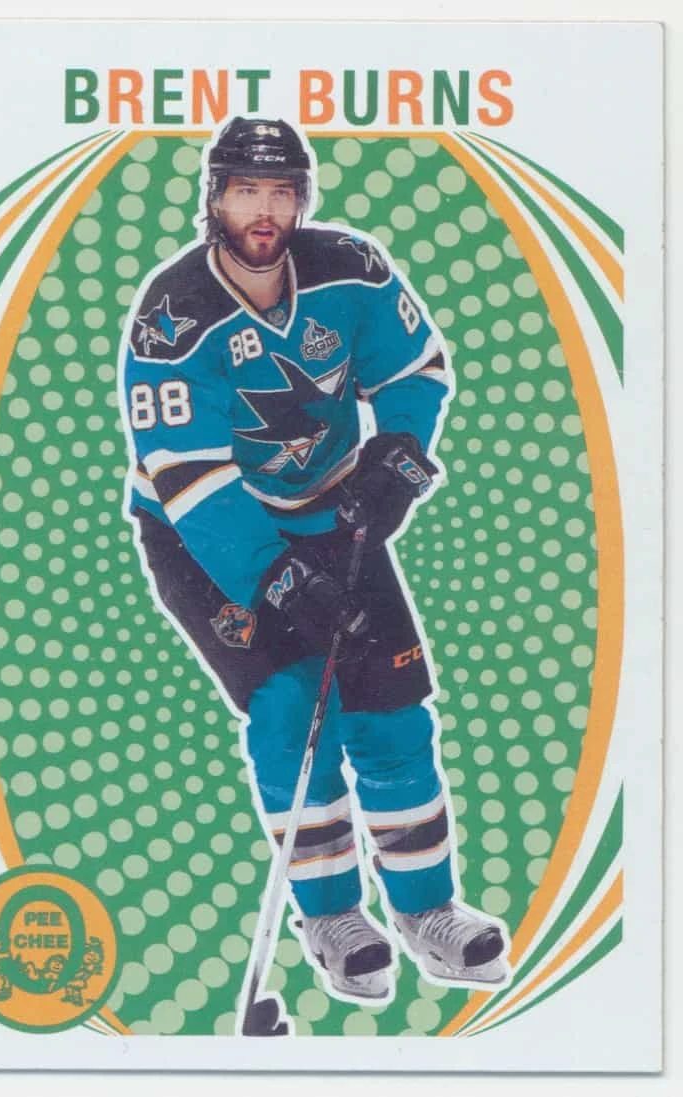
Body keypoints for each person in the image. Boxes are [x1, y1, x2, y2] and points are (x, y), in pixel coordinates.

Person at [118, 116, 511, 1003]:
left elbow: (416, 368)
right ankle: (332, 915)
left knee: (392, 705)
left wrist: (397, 452)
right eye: (246, 191)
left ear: (303, 199)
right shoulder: (174, 318)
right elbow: (189, 475)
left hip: (332, 511)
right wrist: (276, 577)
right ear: (214, 198)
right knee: (295, 709)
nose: (265, 211)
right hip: (201, 533)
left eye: (282, 191)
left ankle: (427, 907)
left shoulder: (350, 268)